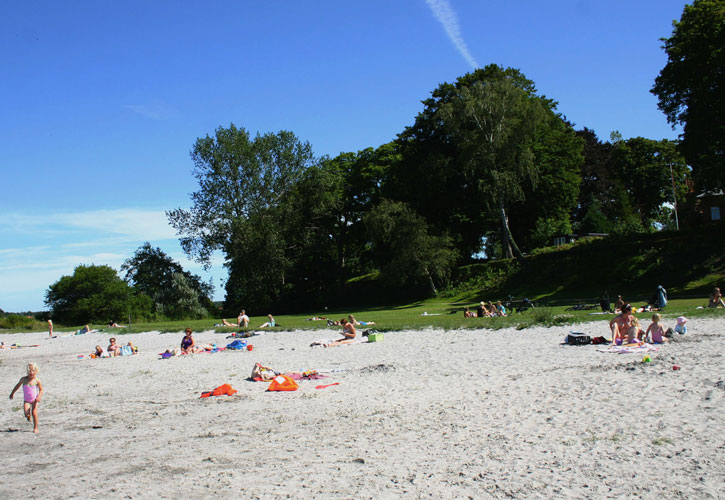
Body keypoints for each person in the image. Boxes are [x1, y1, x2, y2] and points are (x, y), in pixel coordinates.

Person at [9, 363, 43, 433]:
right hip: (27, 400)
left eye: (33, 371)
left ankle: (35, 428)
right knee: (26, 414)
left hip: (34, 400)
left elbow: (41, 389)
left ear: (36, 371)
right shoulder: (23, 379)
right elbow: (17, 386)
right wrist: (12, 393)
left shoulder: (37, 380)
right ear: (27, 371)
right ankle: (28, 416)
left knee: (34, 413)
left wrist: (39, 397)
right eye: (29, 371)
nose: (31, 372)